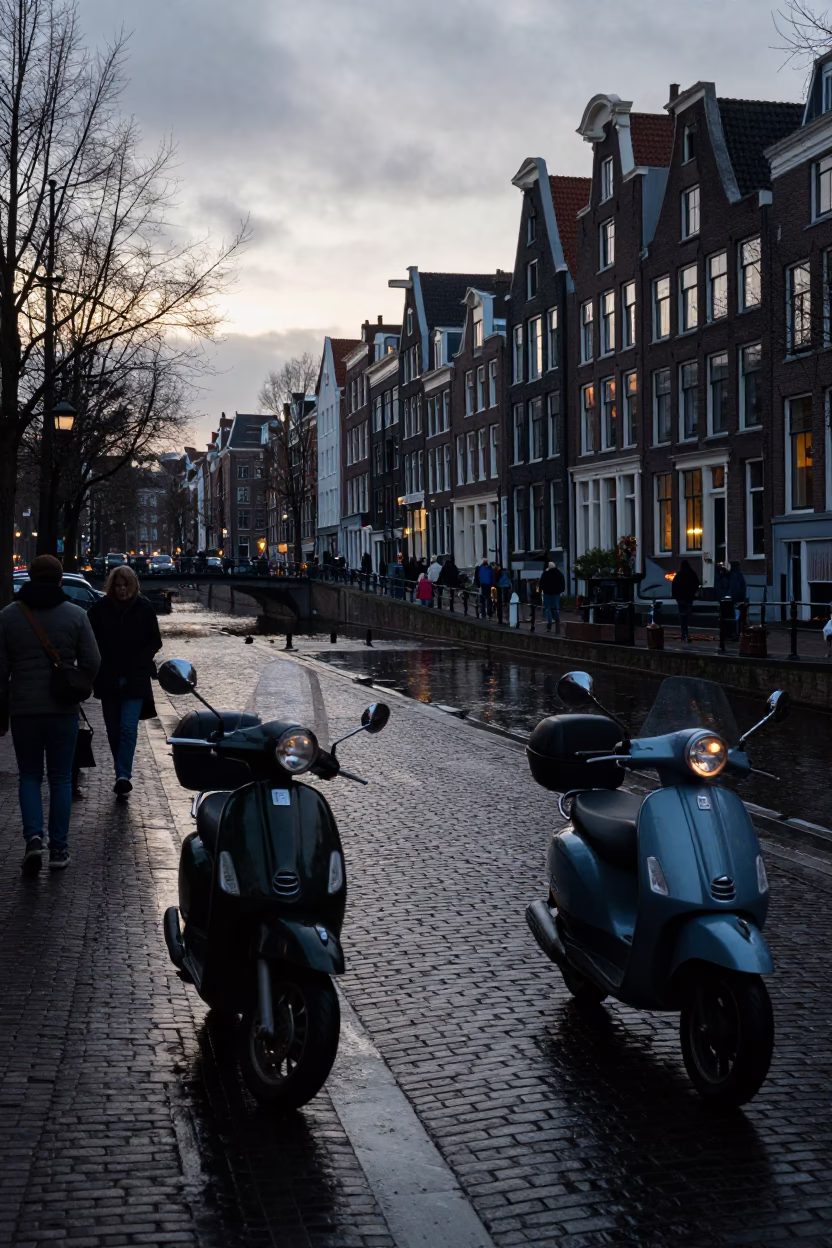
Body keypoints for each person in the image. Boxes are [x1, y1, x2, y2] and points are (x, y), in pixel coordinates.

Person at [0, 554, 100, 874]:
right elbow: (93, 660)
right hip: (62, 709)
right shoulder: (76, 615)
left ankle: (33, 839)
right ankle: (58, 848)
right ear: (60, 581)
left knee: (29, 775)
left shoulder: (8, 616)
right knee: (60, 778)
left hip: (24, 709)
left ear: (30, 578)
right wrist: (78, 683)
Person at [87, 566, 162, 798]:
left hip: (135, 678)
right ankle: (120, 771)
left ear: (133, 586)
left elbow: (155, 641)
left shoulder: (144, 608)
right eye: (118, 586)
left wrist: (140, 660)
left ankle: (123, 775)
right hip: (108, 678)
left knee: (128, 728)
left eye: (126, 586)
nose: (122, 590)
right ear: (112, 586)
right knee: (113, 731)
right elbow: (89, 642)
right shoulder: (99, 610)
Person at [672, 559, 700, 644]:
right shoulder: (692, 574)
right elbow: (696, 584)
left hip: (680, 599)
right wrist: (692, 594)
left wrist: (676, 597)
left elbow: (674, 587)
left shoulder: (678, 575)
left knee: (682, 617)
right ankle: (686, 634)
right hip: (688, 599)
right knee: (687, 617)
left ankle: (684, 634)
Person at [539, 561, 566, 632]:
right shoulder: (559, 573)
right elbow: (562, 583)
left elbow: (541, 583)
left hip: (547, 593)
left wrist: (541, 590)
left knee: (548, 608)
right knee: (556, 607)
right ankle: (557, 622)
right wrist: (561, 590)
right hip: (556, 593)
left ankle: (549, 623)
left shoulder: (545, 573)